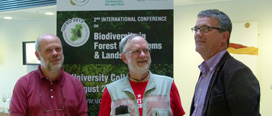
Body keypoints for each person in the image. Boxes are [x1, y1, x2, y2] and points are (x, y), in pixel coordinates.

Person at [190, 9, 261, 116]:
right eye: (196, 29)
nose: (198, 34)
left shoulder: (238, 73)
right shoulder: (205, 71)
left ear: (224, 36)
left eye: (205, 29)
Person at [99, 33, 185, 116]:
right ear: (124, 58)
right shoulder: (112, 91)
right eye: (136, 51)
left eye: (146, 50)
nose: (143, 55)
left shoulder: (168, 85)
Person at [10, 34, 88, 116]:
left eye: (58, 49)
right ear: (38, 55)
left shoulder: (75, 84)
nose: (55, 53)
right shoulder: (24, 84)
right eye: (48, 50)